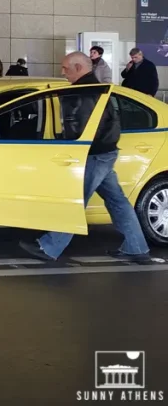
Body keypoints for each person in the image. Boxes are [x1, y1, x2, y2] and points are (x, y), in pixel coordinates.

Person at [19, 52, 151, 263]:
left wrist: (74, 150)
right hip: (104, 152)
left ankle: (50, 247)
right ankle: (136, 247)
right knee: (117, 201)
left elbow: (87, 129)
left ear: (79, 68)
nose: (63, 72)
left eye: (66, 68)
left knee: (76, 199)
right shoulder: (94, 89)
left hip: (94, 155)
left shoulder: (85, 93)